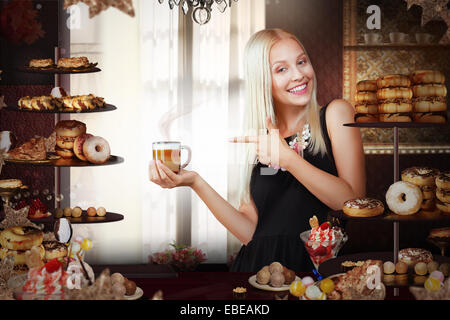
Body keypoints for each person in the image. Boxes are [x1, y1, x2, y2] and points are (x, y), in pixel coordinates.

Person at [149, 29, 366, 272]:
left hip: (315, 273)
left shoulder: (336, 113)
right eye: (281, 69)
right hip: (256, 274)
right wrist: (195, 182)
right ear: (262, 80)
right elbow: (249, 232)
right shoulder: (258, 139)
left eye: (301, 62)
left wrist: (288, 159)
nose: (299, 75)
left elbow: (353, 203)